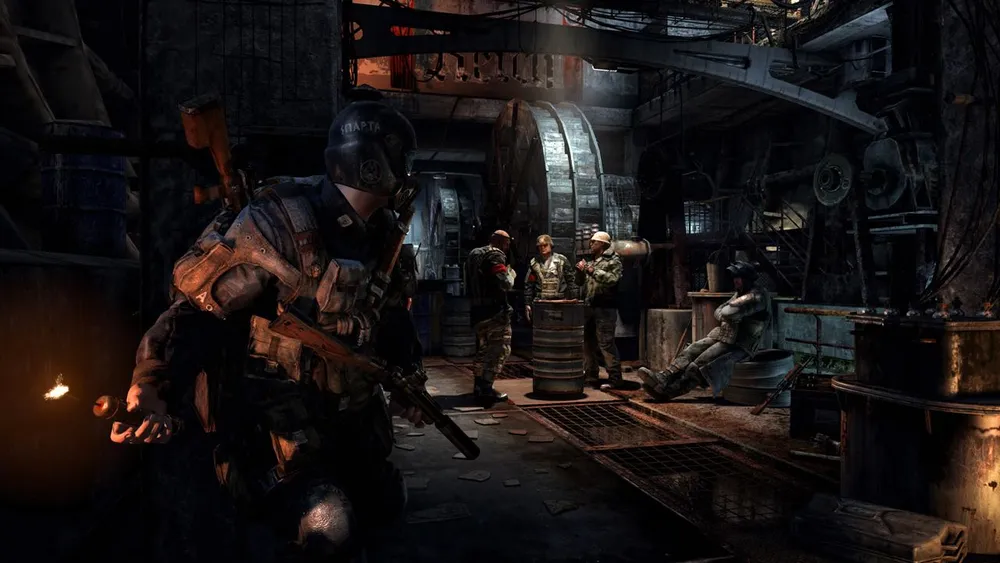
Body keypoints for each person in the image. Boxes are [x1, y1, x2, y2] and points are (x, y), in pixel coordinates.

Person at [108, 98, 426, 563]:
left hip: (352, 422)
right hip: (277, 428)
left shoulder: (385, 236)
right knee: (328, 524)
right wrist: (153, 382)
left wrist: (409, 377)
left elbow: (391, 319)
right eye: (402, 158)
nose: (408, 173)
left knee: (385, 505)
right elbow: (197, 313)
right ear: (373, 163)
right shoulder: (279, 225)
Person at [638, 261, 771, 401]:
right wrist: (726, 314)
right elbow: (719, 311)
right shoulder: (740, 294)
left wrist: (726, 314)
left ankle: (670, 391)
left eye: (739, 278)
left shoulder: (756, 296)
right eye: (735, 278)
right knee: (691, 350)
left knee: (700, 363)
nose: (735, 281)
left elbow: (730, 313)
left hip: (741, 344)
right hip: (726, 337)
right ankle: (664, 377)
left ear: (747, 279)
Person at [465, 230, 516, 404]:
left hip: (477, 312)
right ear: (500, 242)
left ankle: (478, 386)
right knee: (500, 349)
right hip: (494, 313)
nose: (507, 247)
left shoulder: (474, 254)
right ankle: (486, 388)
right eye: (507, 243)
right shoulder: (495, 255)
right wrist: (511, 274)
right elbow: (505, 283)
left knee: (483, 350)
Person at [576, 231, 625, 390]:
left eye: (594, 242)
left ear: (602, 244)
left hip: (605, 307)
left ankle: (615, 378)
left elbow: (612, 279)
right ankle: (591, 375)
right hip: (590, 306)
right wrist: (580, 272)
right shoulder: (593, 261)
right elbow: (580, 283)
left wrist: (592, 271)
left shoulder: (614, 260)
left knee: (606, 343)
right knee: (587, 342)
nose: (590, 244)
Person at [523, 234, 576, 322]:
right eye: (540, 246)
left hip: (560, 302)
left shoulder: (562, 260)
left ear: (550, 245)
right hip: (541, 302)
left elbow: (571, 280)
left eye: (545, 245)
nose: (542, 248)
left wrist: (574, 298)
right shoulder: (534, 263)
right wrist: (527, 303)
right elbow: (529, 284)